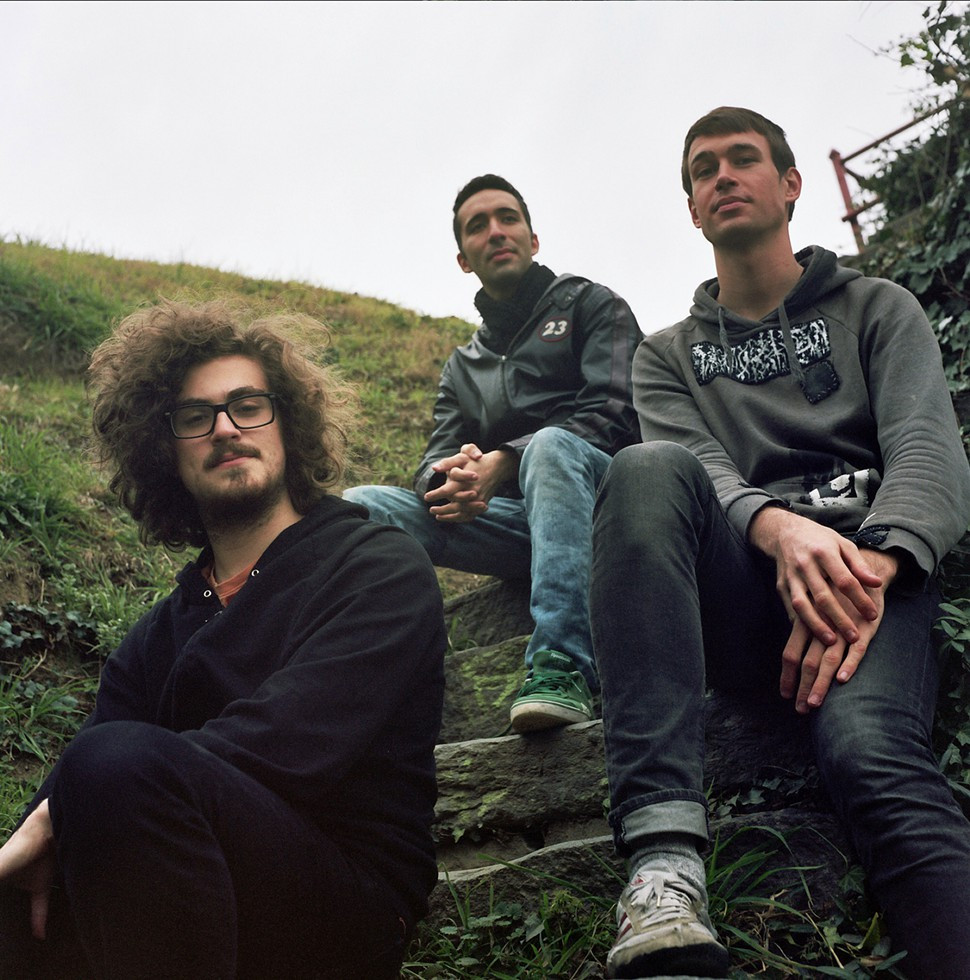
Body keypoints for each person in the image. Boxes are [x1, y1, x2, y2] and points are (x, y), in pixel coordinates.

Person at [590, 106, 970, 979]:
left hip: (871, 583)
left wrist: (864, 573)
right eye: (703, 170)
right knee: (643, 468)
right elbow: (697, 468)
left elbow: (927, 451)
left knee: (872, 755)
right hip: (743, 593)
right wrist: (780, 528)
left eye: (743, 158)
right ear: (692, 209)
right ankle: (664, 864)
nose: (722, 176)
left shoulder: (877, 307)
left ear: (791, 184)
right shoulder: (665, 356)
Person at [0, 301, 446, 980]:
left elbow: (291, 742)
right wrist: (47, 822)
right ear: (164, 451)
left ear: (286, 423)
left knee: (111, 766)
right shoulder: (157, 634)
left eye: (247, 405)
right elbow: (65, 796)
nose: (226, 428)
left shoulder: (378, 566)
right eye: (195, 416)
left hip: (344, 902)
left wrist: (68, 807)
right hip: (172, 883)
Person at [344, 174, 641, 733]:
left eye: (508, 218)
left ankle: (562, 664)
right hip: (520, 525)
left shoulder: (592, 304)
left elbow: (618, 410)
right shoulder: (463, 366)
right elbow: (432, 460)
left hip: (611, 507)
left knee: (551, 446)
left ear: (533, 238)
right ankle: (362, 683)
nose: (496, 231)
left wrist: (506, 459)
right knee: (360, 506)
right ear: (464, 259)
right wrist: (449, 481)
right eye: (478, 226)